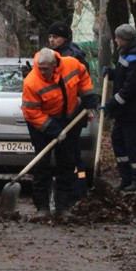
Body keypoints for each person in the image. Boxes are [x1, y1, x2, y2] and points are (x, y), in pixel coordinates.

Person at [21, 47, 97, 218]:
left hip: (67, 118)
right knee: (42, 164)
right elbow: (31, 113)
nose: (42, 72)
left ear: (55, 64)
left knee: (67, 162)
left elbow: (83, 76)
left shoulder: (71, 64)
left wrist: (88, 97)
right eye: (39, 68)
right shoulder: (32, 82)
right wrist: (53, 130)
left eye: (45, 69)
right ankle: (42, 207)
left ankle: (63, 206)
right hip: (41, 124)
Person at [105, 23, 136, 192]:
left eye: (118, 38)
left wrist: (111, 104)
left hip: (133, 111)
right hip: (124, 111)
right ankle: (126, 177)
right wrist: (112, 73)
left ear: (125, 39)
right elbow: (123, 76)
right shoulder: (127, 52)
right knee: (118, 140)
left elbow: (130, 89)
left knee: (131, 144)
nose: (115, 40)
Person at [47, 21, 91, 199]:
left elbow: (78, 85)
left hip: (72, 113)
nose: (51, 40)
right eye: (50, 37)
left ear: (64, 38)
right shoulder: (55, 55)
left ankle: (78, 190)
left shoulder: (72, 57)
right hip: (63, 113)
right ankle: (74, 190)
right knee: (68, 154)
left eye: (55, 37)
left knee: (70, 155)